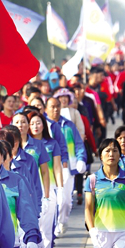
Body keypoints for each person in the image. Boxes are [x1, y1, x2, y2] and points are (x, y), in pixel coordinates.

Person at [28, 111, 63, 248]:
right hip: (29, 194)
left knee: (46, 230)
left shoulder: (51, 143)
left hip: (48, 191)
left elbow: (55, 168)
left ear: (44, 125)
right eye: (32, 123)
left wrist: (59, 190)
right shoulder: (22, 146)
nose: (35, 126)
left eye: (38, 122)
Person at [45, 97, 86, 235]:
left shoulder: (68, 125)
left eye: (58, 106)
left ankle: (62, 220)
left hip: (67, 167)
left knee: (66, 201)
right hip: (49, 169)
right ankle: (54, 225)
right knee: (54, 200)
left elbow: (79, 143)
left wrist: (81, 159)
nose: (55, 109)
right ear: (46, 108)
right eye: (52, 106)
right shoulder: (43, 125)